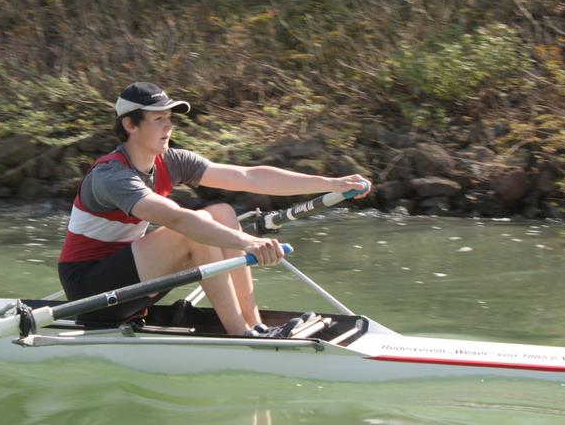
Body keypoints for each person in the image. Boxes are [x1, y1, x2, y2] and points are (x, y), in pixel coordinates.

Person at [58, 82, 371, 337]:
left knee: (222, 212)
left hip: (126, 280)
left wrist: (332, 183)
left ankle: (255, 324)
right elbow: (176, 218)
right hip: (89, 294)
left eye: (169, 118)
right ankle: (241, 335)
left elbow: (249, 177)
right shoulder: (111, 175)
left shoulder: (171, 161)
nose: (169, 126)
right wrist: (249, 242)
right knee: (192, 230)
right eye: (158, 119)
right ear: (130, 124)